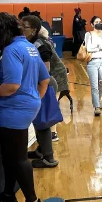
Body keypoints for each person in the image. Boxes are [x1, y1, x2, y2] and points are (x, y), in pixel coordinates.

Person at [0, 13, 49, 202]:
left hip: (15, 109)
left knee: (18, 158)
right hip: (25, 106)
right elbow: (45, 79)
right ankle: (8, 198)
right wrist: (34, 99)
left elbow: (12, 85)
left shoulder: (12, 50)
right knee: (9, 156)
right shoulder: (30, 47)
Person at [22, 15, 70, 166]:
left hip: (45, 84)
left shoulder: (40, 45)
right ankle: (41, 150)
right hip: (41, 84)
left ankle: (49, 159)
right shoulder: (30, 42)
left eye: (25, 27)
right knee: (39, 120)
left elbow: (45, 71)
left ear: (34, 30)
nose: (21, 29)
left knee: (43, 121)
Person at [85, 16, 102, 116]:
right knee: (94, 86)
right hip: (92, 62)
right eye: (96, 22)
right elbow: (89, 48)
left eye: (100, 21)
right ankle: (96, 106)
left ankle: (98, 101)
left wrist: (97, 46)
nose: (99, 23)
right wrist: (101, 46)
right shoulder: (88, 34)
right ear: (92, 24)